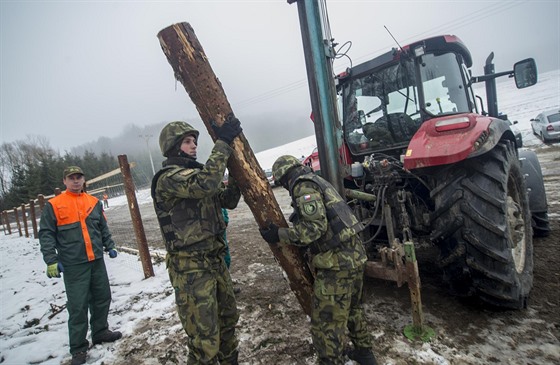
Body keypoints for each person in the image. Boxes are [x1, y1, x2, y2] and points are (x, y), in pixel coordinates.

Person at [259, 155, 377, 365]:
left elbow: (314, 229)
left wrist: (280, 235)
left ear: (284, 177)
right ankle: (365, 353)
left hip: (337, 262)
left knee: (327, 322)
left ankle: (331, 361)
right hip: (354, 256)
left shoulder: (303, 186)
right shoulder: (317, 181)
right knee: (353, 309)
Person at [151, 115, 243, 365]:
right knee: (204, 340)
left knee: (227, 322)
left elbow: (229, 200)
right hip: (191, 269)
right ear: (173, 146)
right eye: (188, 141)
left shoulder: (198, 173)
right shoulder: (169, 178)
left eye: (194, 141)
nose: (194, 146)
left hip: (214, 263)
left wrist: (236, 167)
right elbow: (206, 184)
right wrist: (223, 142)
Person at [39, 166, 121, 365]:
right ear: (64, 181)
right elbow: (46, 234)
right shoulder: (54, 205)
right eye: (72, 178)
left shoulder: (93, 202)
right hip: (74, 264)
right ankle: (78, 348)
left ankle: (100, 332)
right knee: (78, 306)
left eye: (79, 177)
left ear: (84, 180)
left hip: (96, 261)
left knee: (102, 297)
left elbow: (102, 227)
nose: (76, 181)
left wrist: (109, 245)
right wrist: (51, 259)